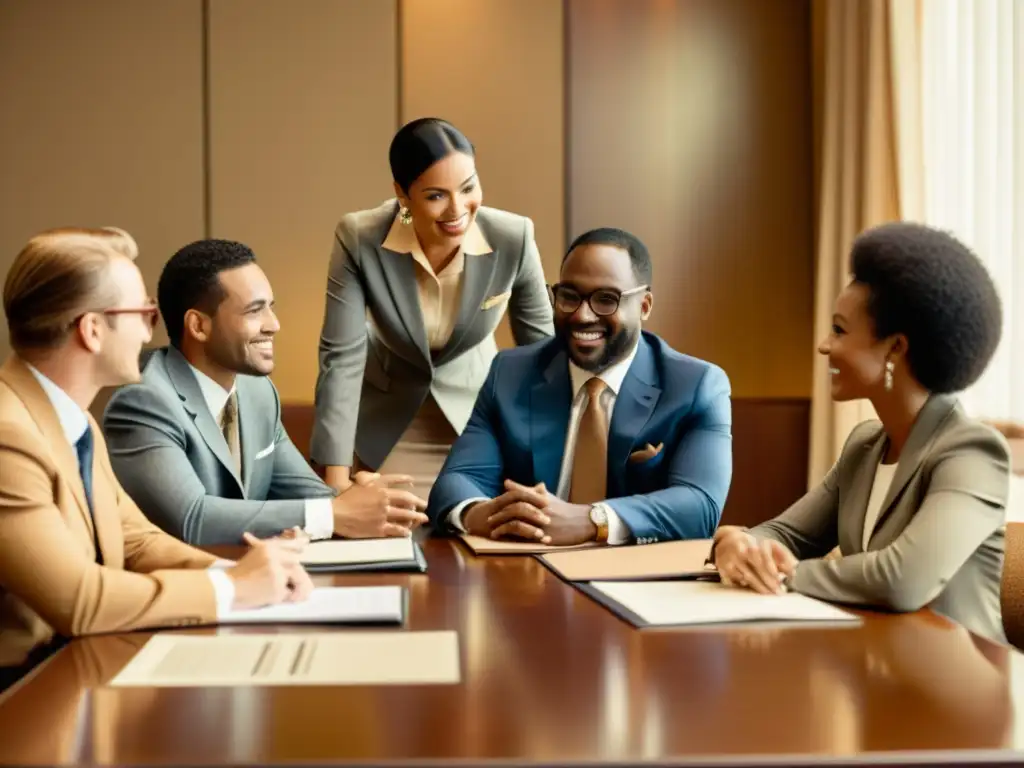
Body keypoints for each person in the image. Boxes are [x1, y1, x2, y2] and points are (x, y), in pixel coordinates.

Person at [0, 227, 312, 691]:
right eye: (143, 313)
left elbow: (136, 540)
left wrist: (238, 571)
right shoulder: (10, 437)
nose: (152, 329)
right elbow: (80, 600)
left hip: (78, 671)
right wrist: (232, 589)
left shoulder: (77, 420)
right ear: (91, 330)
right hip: (24, 694)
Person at [712, 222, 1009, 643]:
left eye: (838, 330)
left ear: (895, 348)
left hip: (959, 688)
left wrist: (777, 571)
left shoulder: (973, 453)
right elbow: (784, 534)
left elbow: (902, 579)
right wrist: (736, 544)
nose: (823, 346)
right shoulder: (865, 446)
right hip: (875, 673)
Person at [102, 239, 427, 546]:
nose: (273, 324)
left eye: (270, 307)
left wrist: (356, 499)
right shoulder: (144, 401)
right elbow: (192, 519)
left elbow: (309, 497)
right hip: (178, 589)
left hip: (254, 580)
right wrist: (334, 513)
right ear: (199, 326)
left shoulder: (257, 392)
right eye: (254, 311)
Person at [427, 227, 733, 546]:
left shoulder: (696, 386)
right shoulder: (511, 372)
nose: (582, 315)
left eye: (606, 300)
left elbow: (700, 505)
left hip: (639, 580)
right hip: (528, 569)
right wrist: (486, 514)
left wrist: (593, 519)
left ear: (644, 305)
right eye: (569, 296)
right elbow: (458, 480)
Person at [311, 117, 554, 502]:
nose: (457, 209)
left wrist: (548, 461)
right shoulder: (360, 238)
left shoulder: (513, 237)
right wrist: (336, 483)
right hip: (390, 423)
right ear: (402, 196)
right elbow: (342, 357)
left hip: (480, 420)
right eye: (435, 195)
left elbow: (544, 356)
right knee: (391, 540)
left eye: (468, 187)